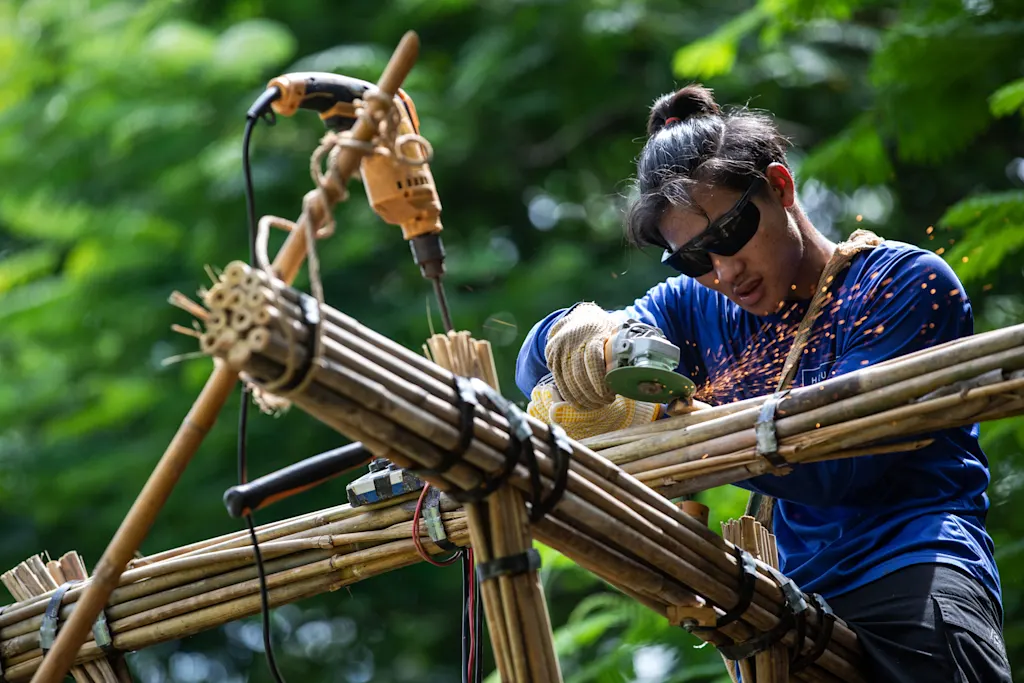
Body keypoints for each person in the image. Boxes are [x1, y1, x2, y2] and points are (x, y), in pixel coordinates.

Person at [514, 84, 1011, 682]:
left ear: (780, 186)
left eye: (729, 234)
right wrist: (580, 333)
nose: (724, 272)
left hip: (914, 579)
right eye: (695, 259)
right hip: (801, 608)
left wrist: (686, 425)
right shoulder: (695, 305)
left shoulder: (902, 284)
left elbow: (839, 464)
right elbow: (534, 369)